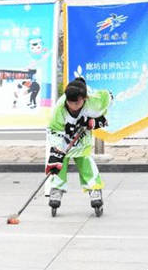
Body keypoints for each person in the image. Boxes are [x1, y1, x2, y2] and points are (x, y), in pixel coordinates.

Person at [45, 77, 110, 215]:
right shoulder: (60, 108)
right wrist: (58, 150)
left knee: (85, 161)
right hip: (63, 137)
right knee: (59, 163)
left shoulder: (94, 101)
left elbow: (108, 99)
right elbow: (53, 129)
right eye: (70, 102)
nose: (73, 106)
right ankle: (56, 189)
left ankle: (95, 189)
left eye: (77, 103)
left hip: (82, 137)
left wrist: (94, 121)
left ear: (85, 98)